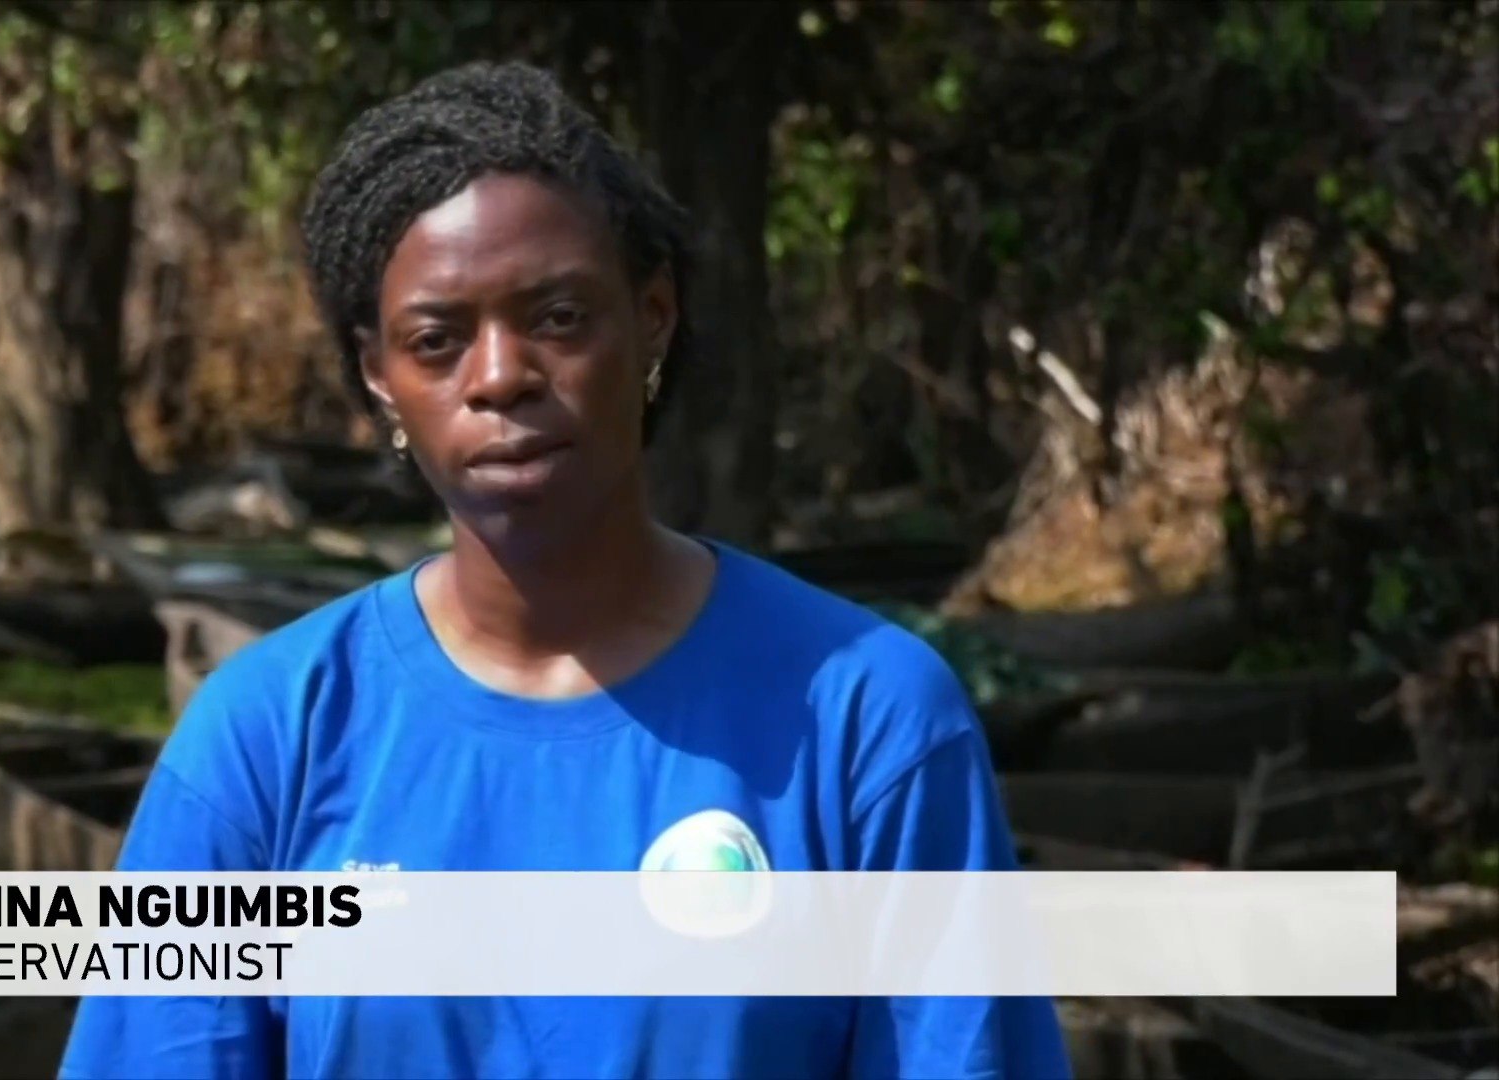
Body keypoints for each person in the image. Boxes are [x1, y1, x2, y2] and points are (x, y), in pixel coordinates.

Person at [61, 61, 1072, 1080]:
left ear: (654, 319)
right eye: (436, 338)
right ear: (378, 374)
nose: (500, 376)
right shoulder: (264, 741)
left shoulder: (871, 722)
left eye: (557, 318)